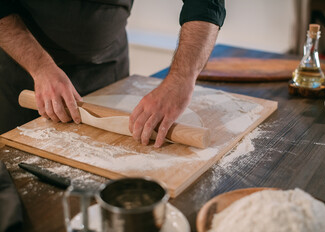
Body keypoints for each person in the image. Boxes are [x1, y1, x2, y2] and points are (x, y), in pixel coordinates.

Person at [0, 0, 226, 147]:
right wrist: (40, 67)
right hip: (25, 68)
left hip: (108, 64)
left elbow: (205, 3)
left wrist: (180, 80)